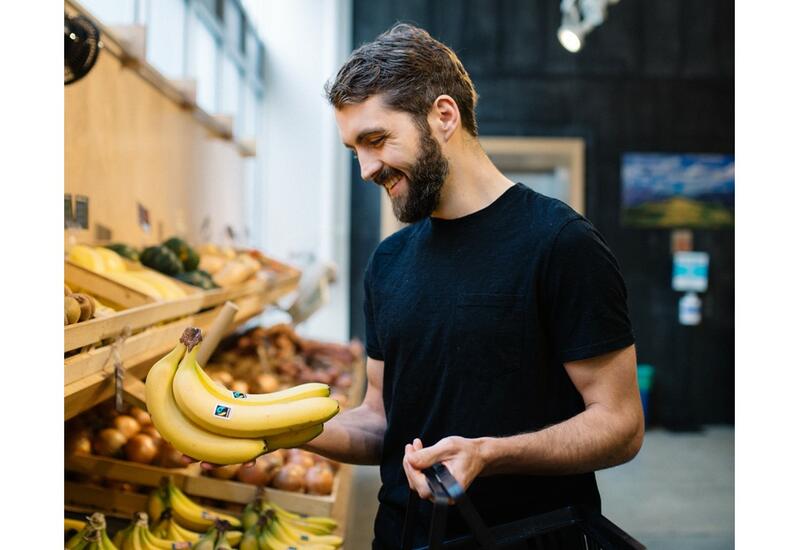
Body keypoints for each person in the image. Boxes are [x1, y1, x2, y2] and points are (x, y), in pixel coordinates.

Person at [192, 23, 644, 550]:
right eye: (353, 149)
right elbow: (380, 421)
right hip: (403, 536)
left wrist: (491, 453)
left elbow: (621, 424)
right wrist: (266, 425)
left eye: (376, 140)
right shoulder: (388, 262)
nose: (365, 169)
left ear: (444, 116)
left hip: (530, 537)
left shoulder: (560, 244)